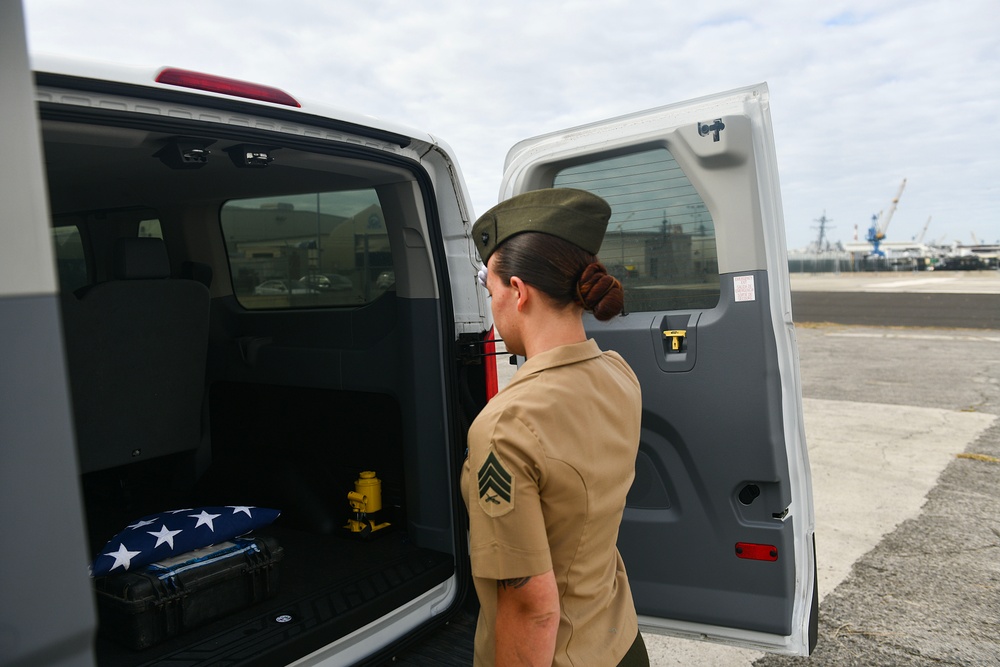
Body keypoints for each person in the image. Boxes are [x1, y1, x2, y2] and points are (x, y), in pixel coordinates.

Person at [462, 188, 649, 666]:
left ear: (518, 292)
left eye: (492, 292)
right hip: (621, 642)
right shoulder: (619, 373)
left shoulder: (505, 426)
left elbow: (533, 608)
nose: (493, 308)